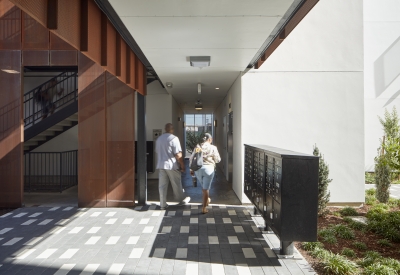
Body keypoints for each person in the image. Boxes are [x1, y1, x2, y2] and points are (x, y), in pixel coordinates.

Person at [156, 123, 190, 209]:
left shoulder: (159, 139)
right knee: (176, 183)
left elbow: (157, 151)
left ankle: (162, 204)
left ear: (165, 129)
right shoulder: (174, 139)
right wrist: (182, 165)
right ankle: (181, 200)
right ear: (172, 129)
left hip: (161, 165)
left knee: (162, 186)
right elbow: (178, 155)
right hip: (171, 165)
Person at [190, 133, 221, 214]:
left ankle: (206, 200)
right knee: (206, 188)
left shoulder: (198, 147)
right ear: (210, 139)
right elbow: (218, 160)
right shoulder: (213, 147)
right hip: (209, 169)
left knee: (203, 187)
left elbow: (192, 158)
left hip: (198, 169)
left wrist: (191, 169)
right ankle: (204, 208)